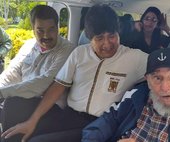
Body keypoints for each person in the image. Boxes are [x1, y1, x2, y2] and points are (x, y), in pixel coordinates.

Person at [1, 4, 148, 142]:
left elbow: (164, 65)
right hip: (68, 116)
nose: (107, 44)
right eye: (99, 38)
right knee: (19, 128)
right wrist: (32, 121)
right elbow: (58, 86)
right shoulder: (79, 53)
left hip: (101, 124)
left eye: (112, 36)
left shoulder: (134, 58)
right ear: (90, 38)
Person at [82, 48, 170, 142]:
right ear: (148, 81)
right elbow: (101, 125)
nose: (164, 87)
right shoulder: (136, 95)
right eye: (157, 78)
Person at [0, 4, 74, 141]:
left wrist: (3, 93)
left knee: (12, 104)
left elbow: (43, 83)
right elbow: (13, 72)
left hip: (50, 108)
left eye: (51, 29)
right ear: (33, 29)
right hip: (24, 100)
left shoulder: (67, 50)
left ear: (57, 28)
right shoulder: (29, 46)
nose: (46, 35)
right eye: (40, 30)